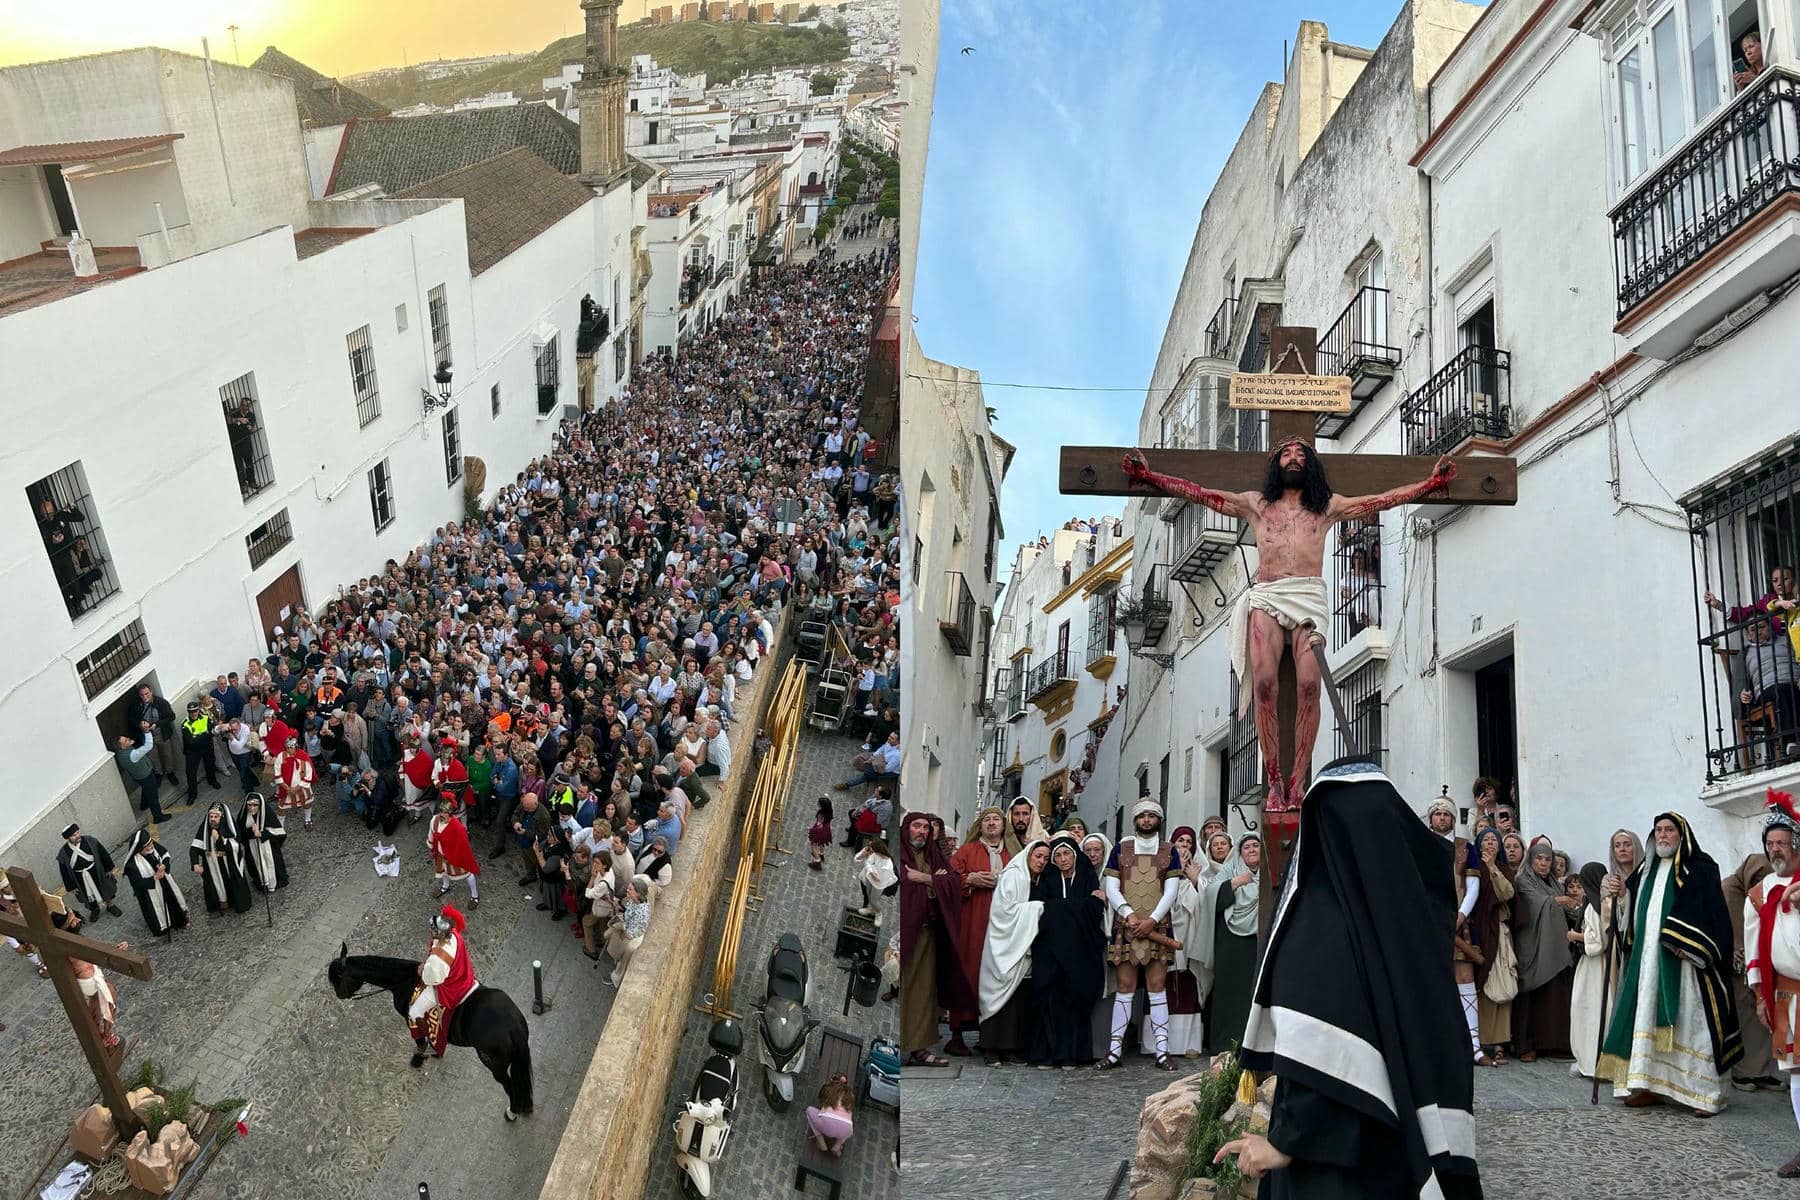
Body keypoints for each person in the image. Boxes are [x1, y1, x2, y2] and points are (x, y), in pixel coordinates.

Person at [1123, 442, 1453, 809]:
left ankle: (1297, 781)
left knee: (1310, 686)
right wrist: (1149, 477)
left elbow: (1381, 500)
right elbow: (1201, 494)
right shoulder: (1256, 505)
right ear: (1275, 464)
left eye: (1300, 454)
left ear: (1310, 465)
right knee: (1264, 685)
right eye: (1286, 454)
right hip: (1268, 595)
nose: (1294, 458)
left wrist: (1429, 485)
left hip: (1309, 597)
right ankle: (1274, 780)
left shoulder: (1326, 507)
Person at [1215, 758, 1481, 1197]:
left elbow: (1319, 1051)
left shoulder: (1320, 919)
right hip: (1399, 1151)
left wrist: (1284, 1142)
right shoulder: (1412, 926)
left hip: (1331, 1171)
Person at [1601, 812, 1743, 1117]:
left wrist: (1687, 944)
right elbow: (1633, 918)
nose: (1663, 835)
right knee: (1645, 1019)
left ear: (1682, 834)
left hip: (1685, 964)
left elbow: (1712, 915)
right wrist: (1622, 894)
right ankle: (1648, 1084)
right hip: (1648, 966)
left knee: (1693, 1025)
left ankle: (1704, 1095)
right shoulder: (1645, 870)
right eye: (1658, 830)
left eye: (1669, 830)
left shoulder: (1701, 868)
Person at [1099, 799, 1183, 1070]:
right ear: (1135, 820)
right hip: (1127, 927)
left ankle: (1162, 1051)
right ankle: (1114, 1051)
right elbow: (1112, 887)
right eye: (1142, 816)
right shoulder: (1120, 850)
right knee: (1125, 987)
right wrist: (1129, 914)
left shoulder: (1170, 851)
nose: (1146, 820)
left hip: (1157, 927)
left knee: (1157, 988)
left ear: (1159, 820)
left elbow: (1171, 890)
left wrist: (1152, 920)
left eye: (1151, 816)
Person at [1745, 789, 1800, 1175]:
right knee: (1796, 1071)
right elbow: (1753, 947)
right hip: (1785, 993)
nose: (1775, 849)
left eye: (1781, 842)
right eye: (1770, 843)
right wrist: (1759, 997)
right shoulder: (1760, 891)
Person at [899, 810, 972, 1067]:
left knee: (922, 991)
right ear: (907, 828)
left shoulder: (934, 854)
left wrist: (925, 878)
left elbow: (952, 881)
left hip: (926, 933)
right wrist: (932, 882)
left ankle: (918, 1049)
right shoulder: (900, 853)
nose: (921, 832)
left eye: (925, 828)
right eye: (916, 826)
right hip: (903, 933)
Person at [1030, 832, 1106, 1069]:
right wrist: (1077, 907)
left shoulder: (1087, 877)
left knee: (1075, 1002)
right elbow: (1039, 908)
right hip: (1050, 954)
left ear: (1075, 856)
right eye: (1058, 855)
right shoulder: (1048, 880)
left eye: (1067, 854)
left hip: (1080, 954)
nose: (1063, 859)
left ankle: (1072, 1055)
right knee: (1051, 1002)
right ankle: (1050, 1055)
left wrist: (1061, 908)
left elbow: (1095, 909)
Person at [946, 806, 1010, 1058]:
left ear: (1003, 825)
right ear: (980, 825)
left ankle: (989, 1036)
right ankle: (956, 1036)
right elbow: (949, 879)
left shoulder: (1012, 853)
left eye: (996, 819)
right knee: (966, 973)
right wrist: (969, 880)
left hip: (1001, 924)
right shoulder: (967, 850)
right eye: (986, 820)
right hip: (971, 922)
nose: (991, 823)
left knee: (995, 978)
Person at [978, 837, 1047, 1066]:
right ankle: (990, 1049)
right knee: (998, 997)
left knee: (1018, 999)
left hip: (1023, 946)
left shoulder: (1035, 879)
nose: (1042, 861)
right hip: (1004, 945)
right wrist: (1038, 907)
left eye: (1046, 858)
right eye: (1038, 856)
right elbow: (1003, 912)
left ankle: (1009, 1048)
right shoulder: (1014, 875)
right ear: (1028, 855)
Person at [1511, 840, 1578, 1061]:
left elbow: (1565, 908)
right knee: (1531, 995)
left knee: (1555, 996)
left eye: (1547, 859)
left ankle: (1554, 1044)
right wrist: (1561, 901)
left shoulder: (1553, 883)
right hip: (1532, 946)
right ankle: (1527, 1045)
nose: (1543, 863)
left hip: (1555, 948)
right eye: (1539, 858)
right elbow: (1536, 902)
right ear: (1531, 860)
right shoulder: (1523, 880)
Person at [1196, 834, 1261, 1057]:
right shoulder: (1230, 870)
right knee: (1229, 994)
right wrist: (1235, 882)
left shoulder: (1269, 872)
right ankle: (1226, 1044)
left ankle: (1253, 1045)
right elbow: (1210, 895)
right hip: (1230, 943)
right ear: (1239, 853)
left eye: (1256, 845)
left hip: (1257, 941)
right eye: (1246, 847)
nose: (1251, 850)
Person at [1163, 825, 1218, 1058]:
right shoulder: (1163, 865)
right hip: (1166, 931)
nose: (1184, 845)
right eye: (1180, 841)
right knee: (1163, 984)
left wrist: (1195, 881)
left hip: (1191, 932)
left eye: (1188, 842)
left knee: (1188, 983)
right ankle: (1160, 1044)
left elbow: (1207, 899)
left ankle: (1189, 1044)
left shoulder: (1200, 868)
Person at [1467, 826, 1517, 1063]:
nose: (1489, 843)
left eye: (1493, 840)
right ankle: (1481, 1041)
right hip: (1479, 931)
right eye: (1485, 840)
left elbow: (1507, 894)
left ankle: (1500, 1042)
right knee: (1482, 982)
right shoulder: (1473, 868)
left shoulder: (1504, 869)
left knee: (1502, 982)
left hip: (1500, 932)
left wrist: (1493, 868)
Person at [1571, 862, 1624, 1080]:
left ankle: (1593, 1063)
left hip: (1594, 967)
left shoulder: (1594, 907)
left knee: (1591, 1012)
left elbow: (1597, 943)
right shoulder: (1602, 904)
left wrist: (1574, 936)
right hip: (1599, 966)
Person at [409, 905, 478, 1067]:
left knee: (414, 1012)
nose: (430, 931)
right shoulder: (454, 934)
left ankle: (429, 1044)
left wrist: (422, 970)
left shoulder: (437, 959)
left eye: (432, 930)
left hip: (451, 989)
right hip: (463, 975)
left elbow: (431, 980)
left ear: (438, 933)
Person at [189, 802, 253, 915]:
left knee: (232, 883)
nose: (213, 819)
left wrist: (219, 838)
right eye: (211, 816)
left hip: (228, 864)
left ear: (222, 817)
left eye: (216, 816)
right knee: (217, 884)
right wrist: (195, 864)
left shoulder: (228, 828)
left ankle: (236, 902)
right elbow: (194, 848)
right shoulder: (205, 830)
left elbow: (234, 846)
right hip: (212, 865)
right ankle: (223, 903)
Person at [122, 828, 189, 936]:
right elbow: (138, 884)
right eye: (147, 846)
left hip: (164, 883)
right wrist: (155, 877)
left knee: (171, 900)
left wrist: (164, 865)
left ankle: (178, 921)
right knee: (156, 910)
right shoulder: (132, 866)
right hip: (150, 892)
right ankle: (164, 927)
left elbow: (165, 854)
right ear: (140, 848)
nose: (151, 847)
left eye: (151, 843)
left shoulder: (152, 846)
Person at [56, 823, 121, 923]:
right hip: (80, 878)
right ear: (68, 838)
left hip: (97, 871)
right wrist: (71, 886)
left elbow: (102, 853)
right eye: (73, 835)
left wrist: (108, 867)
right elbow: (64, 871)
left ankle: (110, 905)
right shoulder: (63, 853)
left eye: (77, 832)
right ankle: (95, 909)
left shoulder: (90, 840)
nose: (77, 836)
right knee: (87, 895)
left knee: (105, 888)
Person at [428, 790, 481, 910]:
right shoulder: (434, 820)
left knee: (467, 874)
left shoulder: (458, 828)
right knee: (443, 872)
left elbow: (463, 846)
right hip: (440, 855)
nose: (442, 815)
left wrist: (457, 857)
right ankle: (445, 886)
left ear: (450, 813)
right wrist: (431, 849)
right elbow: (431, 835)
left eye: (445, 813)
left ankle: (475, 896)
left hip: (455, 857)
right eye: (440, 811)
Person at [237, 792, 288, 893]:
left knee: (273, 862)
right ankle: (261, 883)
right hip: (252, 847)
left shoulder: (267, 815)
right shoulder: (243, 817)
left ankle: (275, 881)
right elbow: (240, 834)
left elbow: (279, 833)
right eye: (249, 805)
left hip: (268, 846)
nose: (252, 808)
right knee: (255, 864)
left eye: (255, 805)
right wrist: (251, 832)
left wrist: (261, 833)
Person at [115, 725, 166, 824]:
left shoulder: (120, 753)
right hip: (146, 776)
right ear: (122, 747)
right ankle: (158, 817)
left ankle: (143, 805)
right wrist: (146, 731)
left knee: (146, 789)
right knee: (153, 797)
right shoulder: (132, 755)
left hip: (139, 777)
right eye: (125, 740)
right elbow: (148, 746)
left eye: (126, 738)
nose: (128, 739)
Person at [805, 1072, 856, 1157]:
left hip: (827, 1124)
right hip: (847, 1128)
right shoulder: (850, 1094)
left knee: (809, 1110)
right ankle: (838, 1145)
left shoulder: (828, 1088)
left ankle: (821, 1141)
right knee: (847, 1127)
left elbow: (820, 1101)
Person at [808, 796, 833, 869]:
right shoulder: (829, 813)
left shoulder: (821, 814)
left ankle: (817, 861)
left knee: (813, 844)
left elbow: (819, 825)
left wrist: (811, 828)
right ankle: (821, 854)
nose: (817, 804)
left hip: (819, 832)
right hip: (826, 830)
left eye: (819, 804)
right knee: (821, 843)